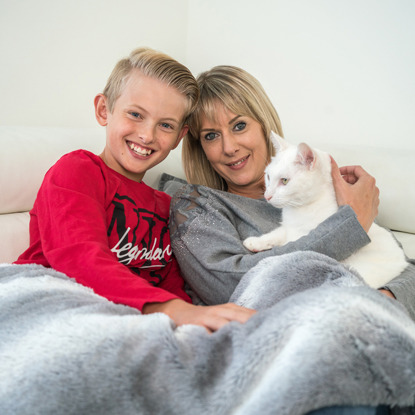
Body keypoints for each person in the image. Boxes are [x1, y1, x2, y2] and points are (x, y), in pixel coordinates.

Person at [14, 48, 255, 332]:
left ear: (179, 137)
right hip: (54, 302)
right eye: (136, 114)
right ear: (104, 110)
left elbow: (171, 284)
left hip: (135, 322)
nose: (147, 135)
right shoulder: (77, 171)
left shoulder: (168, 206)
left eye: (165, 125)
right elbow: (79, 258)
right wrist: (171, 309)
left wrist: (189, 324)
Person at [169, 64, 415, 321]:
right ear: (200, 147)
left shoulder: (314, 189)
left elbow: (402, 268)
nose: (229, 147)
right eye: (211, 136)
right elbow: (230, 287)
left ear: (264, 126)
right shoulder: (196, 204)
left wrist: (379, 301)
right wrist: (349, 227)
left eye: (239, 126)